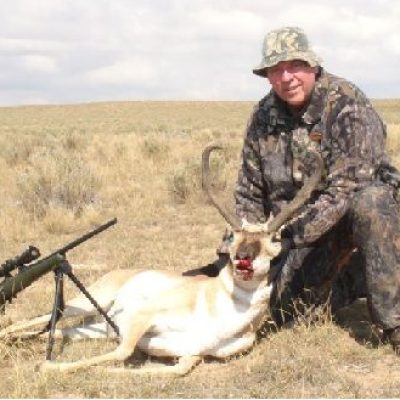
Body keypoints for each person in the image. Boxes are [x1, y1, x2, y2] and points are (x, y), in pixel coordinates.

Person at [185, 26, 400, 352]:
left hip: (351, 221)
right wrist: (232, 255)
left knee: (372, 201)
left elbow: (347, 188)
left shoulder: (348, 106)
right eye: (276, 69)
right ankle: (354, 278)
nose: (286, 78)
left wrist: (285, 238)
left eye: (295, 66)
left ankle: (392, 321)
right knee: (287, 315)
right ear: (267, 76)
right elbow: (249, 193)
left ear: (313, 66)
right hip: (295, 234)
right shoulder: (263, 115)